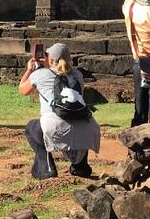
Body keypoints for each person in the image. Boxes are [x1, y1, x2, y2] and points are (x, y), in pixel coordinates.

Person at [18, 42, 101, 179]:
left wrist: (30, 70)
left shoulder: (40, 74)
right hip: (87, 128)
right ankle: (80, 168)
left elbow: (23, 89)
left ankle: (46, 169)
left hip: (53, 127)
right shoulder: (78, 76)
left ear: (50, 59)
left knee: (31, 128)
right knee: (77, 118)